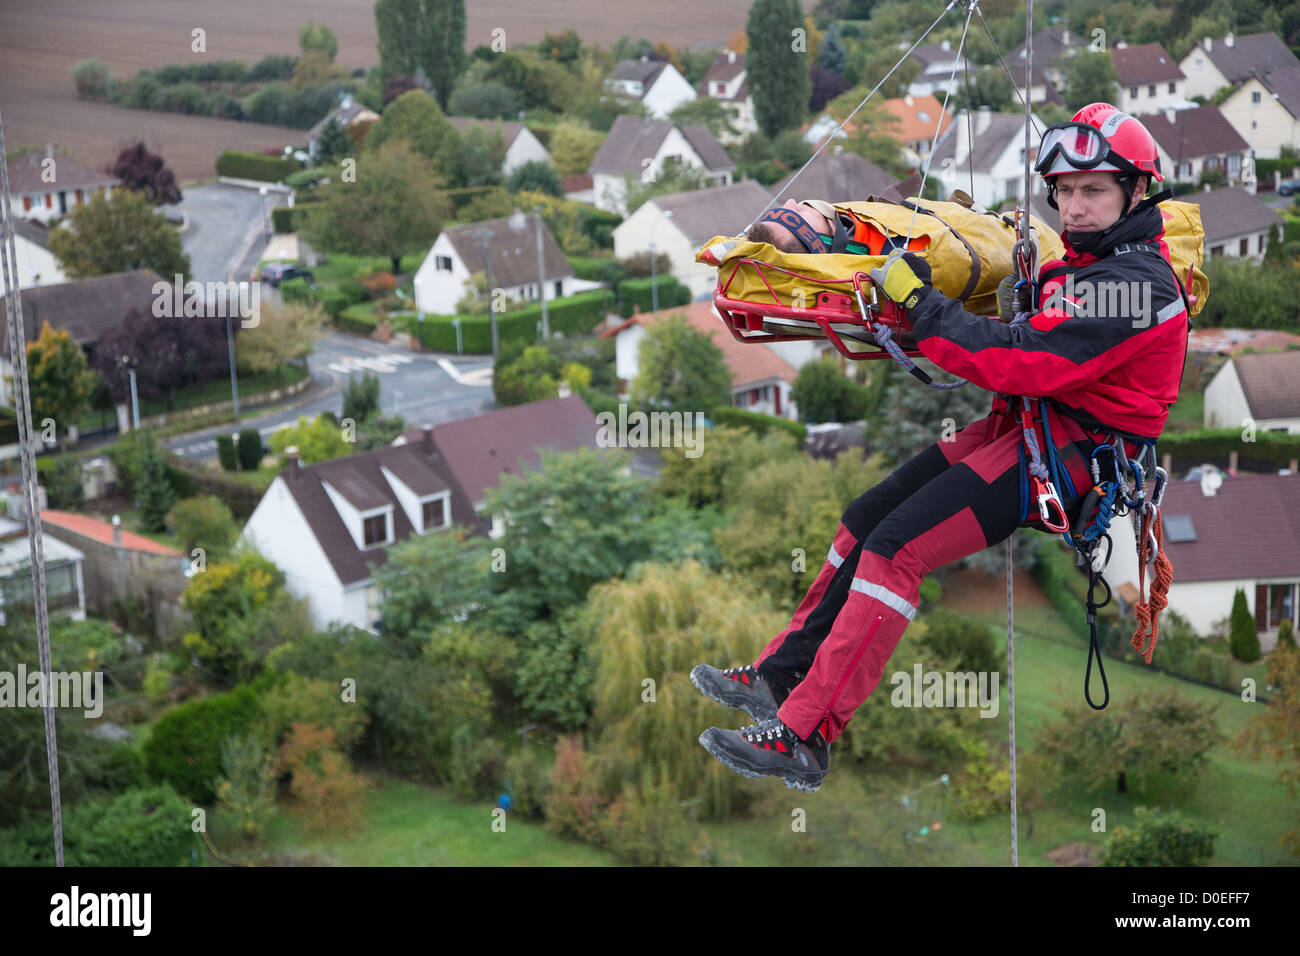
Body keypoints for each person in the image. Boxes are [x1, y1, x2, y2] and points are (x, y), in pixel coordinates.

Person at [694, 103, 1192, 793]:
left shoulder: (1137, 289)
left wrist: (925, 309)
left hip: (1071, 457)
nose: (1073, 207)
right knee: (868, 518)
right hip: (1029, 433)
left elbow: (1026, 358)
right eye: (1065, 190)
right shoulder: (1095, 263)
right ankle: (780, 676)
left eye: (1093, 190)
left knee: (897, 550)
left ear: (1136, 193)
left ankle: (806, 735)